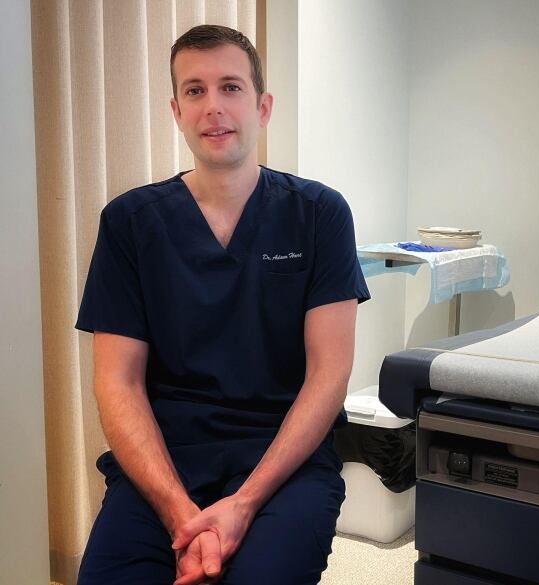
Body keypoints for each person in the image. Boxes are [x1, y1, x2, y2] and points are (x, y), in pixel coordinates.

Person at [75, 24, 370, 585]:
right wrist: (180, 515)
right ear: (176, 110)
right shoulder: (130, 223)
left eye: (230, 87)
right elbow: (118, 384)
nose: (213, 106)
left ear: (262, 107)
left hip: (285, 460)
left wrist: (244, 503)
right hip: (167, 459)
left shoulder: (319, 214)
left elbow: (329, 374)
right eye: (195, 90)